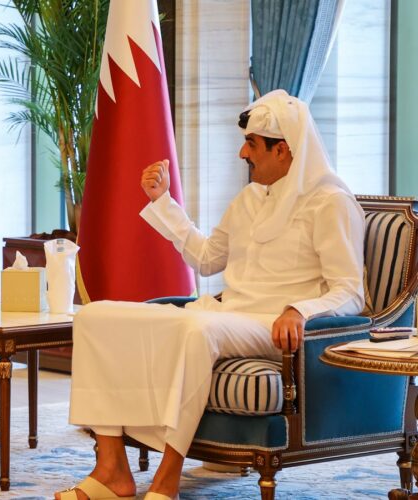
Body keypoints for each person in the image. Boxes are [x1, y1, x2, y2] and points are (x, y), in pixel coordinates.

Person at [55, 90, 364, 500]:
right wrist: (161, 201)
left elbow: (350, 292)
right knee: (98, 316)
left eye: (251, 144)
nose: (242, 153)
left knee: (198, 331)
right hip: (226, 314)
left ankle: (167, 478)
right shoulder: (250, 199)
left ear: (284, 151)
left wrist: (299, 310)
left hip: (272, 326)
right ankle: (112, 468)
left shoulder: (331, 203)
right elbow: (205, 259)